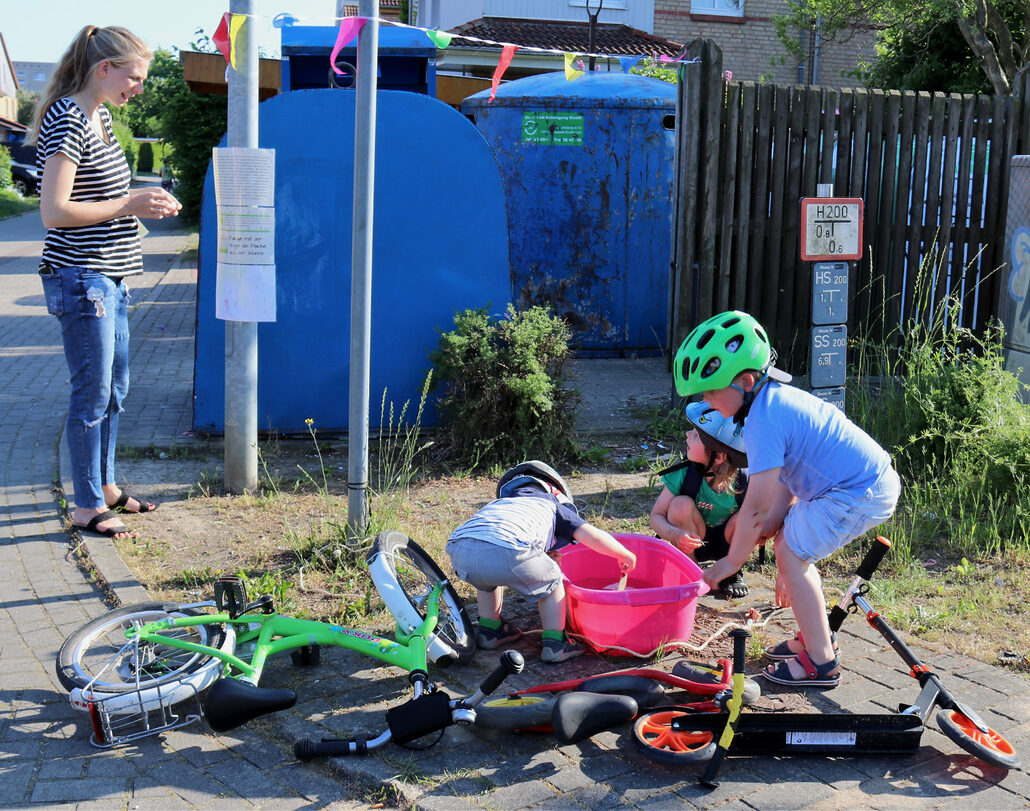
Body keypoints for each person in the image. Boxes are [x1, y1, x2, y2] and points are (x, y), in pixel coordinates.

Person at [674, 310, 900, 688]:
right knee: (786, 547)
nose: (708, 401)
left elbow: (757, 506)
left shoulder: (764, 419)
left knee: (792, 557)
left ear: (746, 381)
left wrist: (731, 561)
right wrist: (772, 524)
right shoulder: (770, 403)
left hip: (859, 491)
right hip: (855, 485)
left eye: (711, 391)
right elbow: (784, 485)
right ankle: (816, 637)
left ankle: (821, 661)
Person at [29, 25, 182, 540]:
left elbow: (107, 195)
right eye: (134, 77)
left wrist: (148, 197)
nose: (138, 87)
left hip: (111, 277)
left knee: (116, 388)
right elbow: (54, 211)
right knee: (91, 393)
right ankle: (86, 504)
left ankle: (107, 485)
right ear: (105, 69)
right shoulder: (68, 119)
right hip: (82, 278)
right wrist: (130, 204)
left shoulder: (101, 120)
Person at [447, 461, 637, 663]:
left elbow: (497, 538)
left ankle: (490, 629)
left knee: (486, 578)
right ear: (557, 493)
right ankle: (556, 643)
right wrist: (623, 553)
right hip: (508, 550)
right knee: (553, 579)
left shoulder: (500, 505)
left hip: (460, 549)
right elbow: (592, 536)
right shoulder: (552, 505)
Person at [649, 401, 750, 598]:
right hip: (692, 541)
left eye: (696, 434)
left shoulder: (745, 481)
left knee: (749, 518)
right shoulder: (685, 473)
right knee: (679, 505)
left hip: (727, 546)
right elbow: (656, 515)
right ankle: (690, 568)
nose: (687, 434)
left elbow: (759, 524)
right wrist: (675, 534)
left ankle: (731, 570)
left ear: (719, 456)